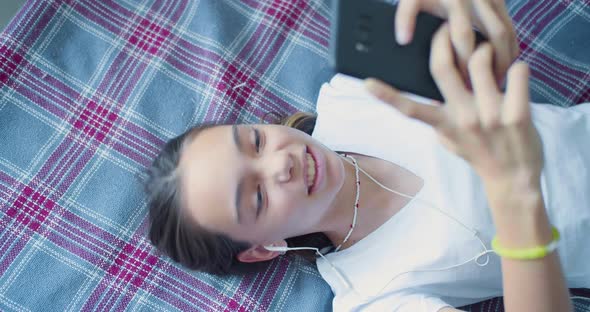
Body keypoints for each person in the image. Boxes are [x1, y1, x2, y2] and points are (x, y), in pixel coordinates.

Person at [143, 0, 589, 311]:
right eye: (256, 197)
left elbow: (487, 60)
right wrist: (516, 202)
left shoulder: (353, 93)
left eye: (256, 142)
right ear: (261, 249)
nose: (281, 163)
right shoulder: (372, 296)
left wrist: (466, 19)